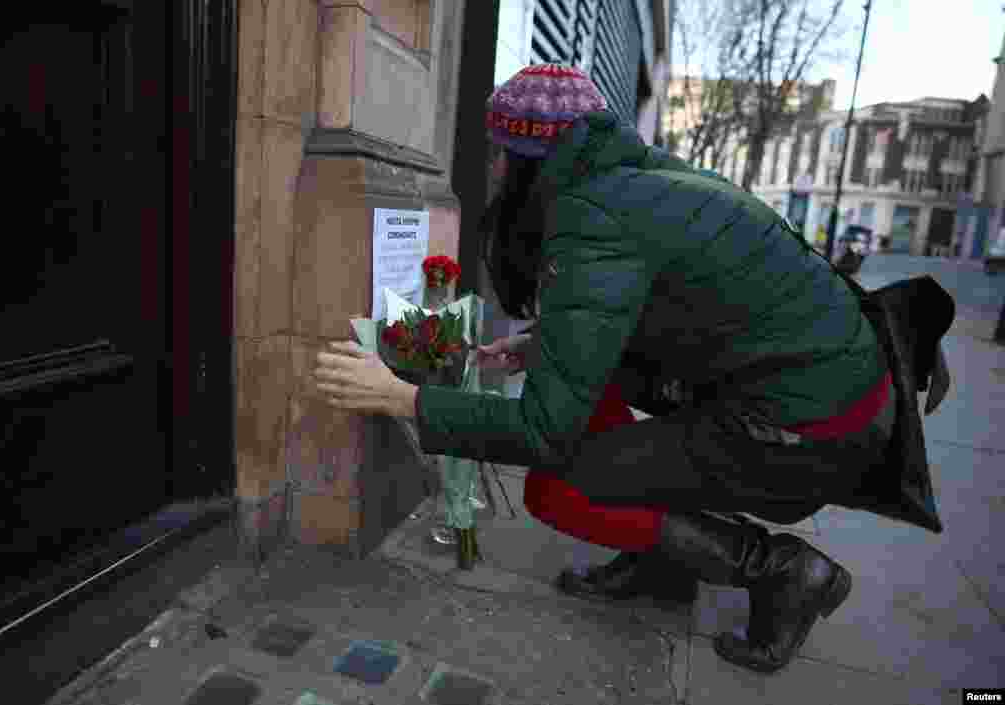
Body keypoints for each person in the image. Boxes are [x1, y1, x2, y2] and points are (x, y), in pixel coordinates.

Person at [314, 64, 902, 674]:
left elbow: (543, 431)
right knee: (593, 413)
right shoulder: (639, 180)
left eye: (498, 153)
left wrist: (402, 397)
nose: (490, 169)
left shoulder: (592, 218)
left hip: (805, 430)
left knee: (559, 485)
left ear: (526, 160)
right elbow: (666, 307)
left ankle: (779, 568)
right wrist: (546, 342)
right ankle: (663, 559)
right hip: (820, 394)